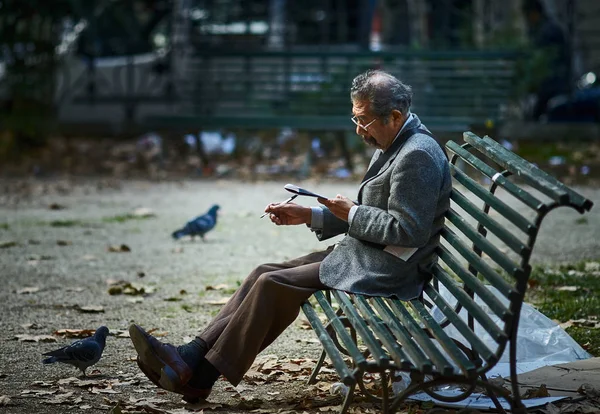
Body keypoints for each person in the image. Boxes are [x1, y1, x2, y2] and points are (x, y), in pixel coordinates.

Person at [128, 69, 452, 403]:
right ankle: (190, 357)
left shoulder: (417, 155)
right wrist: (310, 215)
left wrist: (351, 212)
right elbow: (381, 215)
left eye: (364, 120)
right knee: (263, 272)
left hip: (390, 269)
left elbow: (408, 230)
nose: (358, 130)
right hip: (369, 253)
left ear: (395, 116)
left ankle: (199, 375)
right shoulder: (395, 139)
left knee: (273, 285)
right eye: (355, 118)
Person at [521, 0, 571, 120]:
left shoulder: (546, 32)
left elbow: (542, 61)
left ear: (534, 14)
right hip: (552, 84)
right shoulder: (545, 29)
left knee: (537, 117)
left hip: (552, 85)